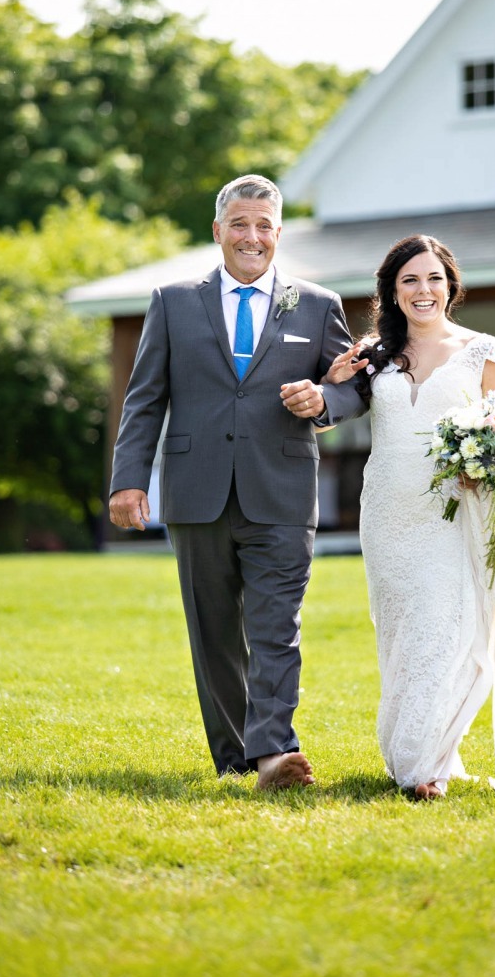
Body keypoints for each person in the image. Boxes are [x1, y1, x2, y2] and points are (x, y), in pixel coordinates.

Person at [109, 175, 361, 789]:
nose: (253, 237)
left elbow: (355, 385)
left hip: (281, 491)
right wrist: (128, 480)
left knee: (277, 626)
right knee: (214, 633)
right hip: (196, 491)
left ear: (279, 234)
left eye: (265, 227)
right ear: (218, 231)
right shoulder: (172, 301)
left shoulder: (317, 304)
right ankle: (234, 759)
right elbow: (145, 399)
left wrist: (323, 400)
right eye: (241, 225)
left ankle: (274, 751)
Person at [325, 234, 495, 799]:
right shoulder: (374, 354)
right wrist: (334, 384)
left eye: (434, 278)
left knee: (449, 629)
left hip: (452, 513)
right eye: (410, 280)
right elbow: (332, 414)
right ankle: (431, 752)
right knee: (401, 636)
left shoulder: (485, 350)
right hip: (386, 511)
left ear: (451, 285)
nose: (423, 290)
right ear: (393, 290)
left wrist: (481, 463)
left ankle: (422, 763)